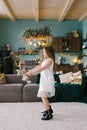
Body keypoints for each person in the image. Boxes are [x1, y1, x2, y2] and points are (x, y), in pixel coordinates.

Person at [25, 46, 55, 120]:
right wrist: (29, 71)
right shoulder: (45, 60)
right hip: (44, 80)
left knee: (43, 96)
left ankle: (49, 114)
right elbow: (38, 67)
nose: (43, 53)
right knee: (43, 96)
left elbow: (42, 68)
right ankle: (49, 109)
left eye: (44, 51)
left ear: (48, 52)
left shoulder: (50, 60)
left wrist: (31, 73)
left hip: (47, 81)